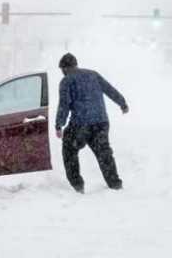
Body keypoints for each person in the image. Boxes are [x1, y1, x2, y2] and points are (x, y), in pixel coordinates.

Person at [54, 53, 129, 193]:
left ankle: (77, 186)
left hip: (80, 124)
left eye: (62, 70)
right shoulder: (93, 75)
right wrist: (122, 103)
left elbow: (64, 105)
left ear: (64, 68)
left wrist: (59, 125)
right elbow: (109, 89)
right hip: (101, 122)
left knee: (69, 150)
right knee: (104, 153)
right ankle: (115, 184)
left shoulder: (66, 81)